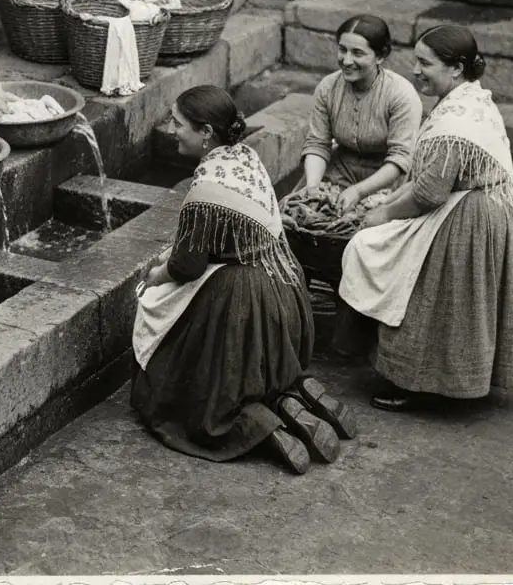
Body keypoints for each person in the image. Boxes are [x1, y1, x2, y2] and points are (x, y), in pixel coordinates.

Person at [131, 85, 357, 475]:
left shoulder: (204, 189)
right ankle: (291, 396)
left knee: (181, 387)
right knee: (261, 375)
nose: (171, 130)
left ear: (205, 132)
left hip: (247, 306)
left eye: (178, 123)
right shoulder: (246, 158)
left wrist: (154, 277)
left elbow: (187, 267)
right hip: (287, 294)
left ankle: (261, 427)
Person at [339, 25, 513, 412]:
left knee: (419, 286)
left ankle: (416, 381)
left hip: (473, 219)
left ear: (456, 68)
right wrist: (389, 200)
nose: (415, 70)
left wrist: (383, 213)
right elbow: (428, 180)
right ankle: (460, 375)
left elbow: (430, 192)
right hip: (489, 211)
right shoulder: (472, 100)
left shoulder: (456, 122)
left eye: (425, 63)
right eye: (416, 61)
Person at [299, 14, 424, 209]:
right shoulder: (328, 87)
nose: (347, 61)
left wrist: (357, 191)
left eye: (358, 53)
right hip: (340, 170)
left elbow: (400, 158)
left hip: (387, 178)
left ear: (380, 56)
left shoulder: (401, 95)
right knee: (303, 213)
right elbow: (318, 143)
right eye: (342, 50)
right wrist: (313, 187)